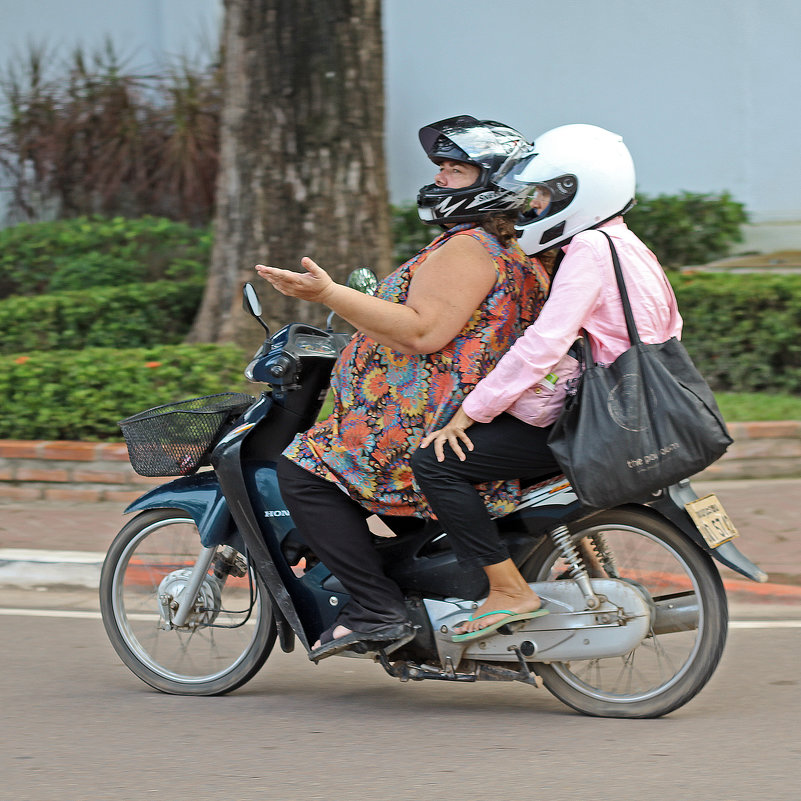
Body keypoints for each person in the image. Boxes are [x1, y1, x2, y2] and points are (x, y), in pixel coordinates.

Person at [255, 115, 552, 660]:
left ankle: (376, 608)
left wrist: (327, 294)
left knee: (303, 469)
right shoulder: (519, 251)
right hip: (467, 408)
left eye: (456, 169)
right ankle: (405, 580)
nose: (440, 178)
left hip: (429, 416)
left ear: (494, 182)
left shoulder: (468, 248)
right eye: (441, 166)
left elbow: (422, 330)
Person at [412, 124, 683, 640]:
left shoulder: (587, 251)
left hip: (606, 422)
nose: (535, 207)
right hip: (646, 409)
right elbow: (668, 325)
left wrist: (473, 410)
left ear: (578, 191)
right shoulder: (627, 244)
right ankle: (585, 575)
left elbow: (543, 343)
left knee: (435, 461)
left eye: (544, 194)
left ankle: (509, 590)